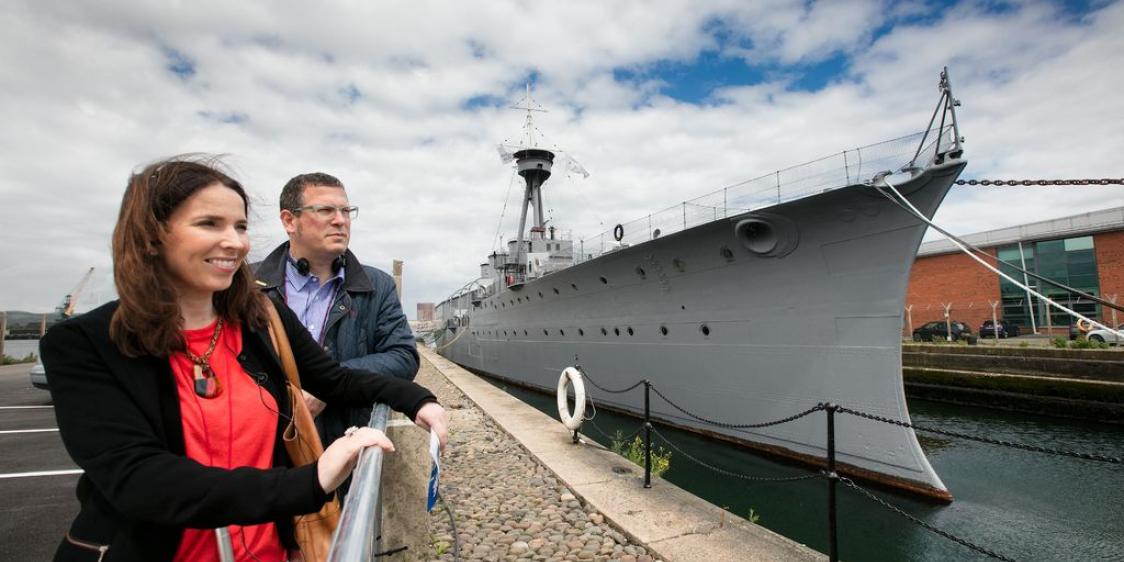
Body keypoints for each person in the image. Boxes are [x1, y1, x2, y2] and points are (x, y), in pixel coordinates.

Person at [41, 156, 447, 562]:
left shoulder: (259, 318)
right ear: (151, 235)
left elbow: (335, 380)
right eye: (209, 224)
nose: (235, 242)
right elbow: (140, 480)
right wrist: (313, 480)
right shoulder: (84, 344)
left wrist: (417, 400)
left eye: (240, 226)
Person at [254, 173, 418, 451]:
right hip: (265, 448)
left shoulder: (376, 286)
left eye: (346, 211)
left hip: (347, 447)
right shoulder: (246, 286)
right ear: (289, 220)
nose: (340, 220)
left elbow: (403, 357)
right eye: (325, 210)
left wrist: (328, 385)